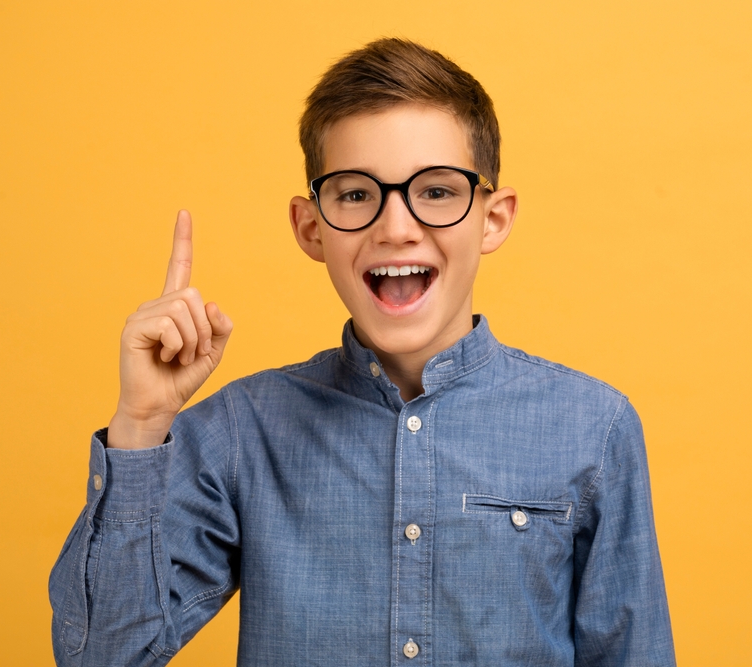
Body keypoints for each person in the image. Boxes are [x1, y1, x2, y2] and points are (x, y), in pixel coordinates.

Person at [49, 38, 675, 666]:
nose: (395, 226)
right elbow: (101, 656)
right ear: (310, 226)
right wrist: (140, 426)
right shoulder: (244, 432)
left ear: (494, 218)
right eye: (355, 194)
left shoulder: (594, 428)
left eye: (435, 191)